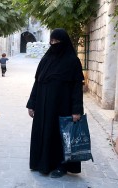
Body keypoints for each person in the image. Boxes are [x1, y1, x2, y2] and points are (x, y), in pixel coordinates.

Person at [26, 28, 84, 178]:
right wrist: (32, 104)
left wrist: (76, 110)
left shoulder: (72, 61)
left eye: (57, 41)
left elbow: (77, 87)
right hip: (43, 107)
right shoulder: (46, 59)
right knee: (45, 133)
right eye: (52, 41)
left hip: (62, 107)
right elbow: (37, 83)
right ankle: (43, 163)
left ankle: (61, 166)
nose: (54, 44)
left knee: (60, 136)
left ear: (64, 42)